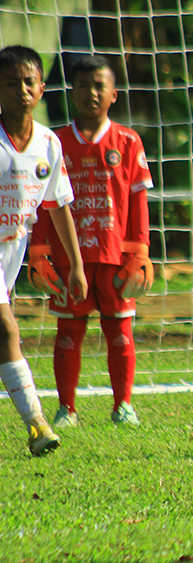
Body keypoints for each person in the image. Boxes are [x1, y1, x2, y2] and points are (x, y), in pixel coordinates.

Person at [30, 55, 154, 428]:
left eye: (100, 86)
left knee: (120, 328)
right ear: (72, 92)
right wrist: (39, 253)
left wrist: (140, 252)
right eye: (84, 86)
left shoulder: (128, 141)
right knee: (68, 330)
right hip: (70, 259)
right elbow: (40, 200)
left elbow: (138, 199)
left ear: (114, 94)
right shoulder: (54, 142)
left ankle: (123, 406)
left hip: (115, 256)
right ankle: (66, 409)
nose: (92, 93)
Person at [0, 46, 87, 455]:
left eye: (28, 81)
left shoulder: (49, 144)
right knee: (8, 331)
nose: (21, 89)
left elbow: (58, 207)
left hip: (9, 256)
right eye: (11, 82)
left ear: (41, 88)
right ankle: (36, 424)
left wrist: (75, 266)